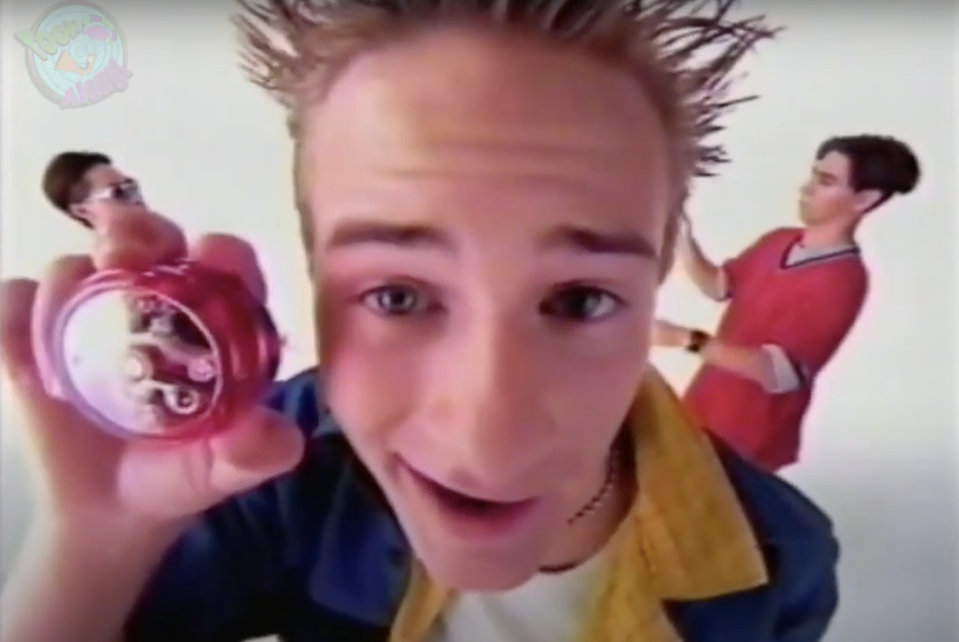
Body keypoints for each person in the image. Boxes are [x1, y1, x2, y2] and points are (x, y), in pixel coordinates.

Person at [0, 1, 840, 641]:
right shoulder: (271, 484)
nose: (490, 435)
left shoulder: (779, 562)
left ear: (656, 283)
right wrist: (95, 541)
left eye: (580, 300)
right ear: (313, 275)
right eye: (398, 296)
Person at [653, 134, 920, 472]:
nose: (806, 188)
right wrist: (682, 236)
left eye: (826, 182)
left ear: (864, 199)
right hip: (703, 410)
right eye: (813, 175)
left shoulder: (843, 280)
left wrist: (685, 339)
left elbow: (779, 373)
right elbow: (720, 286)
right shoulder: (778, 241)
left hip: (748, 439)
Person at [42, 151, 150, 229]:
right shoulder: (108, 259)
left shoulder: (162, 246)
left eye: (132, 187)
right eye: (118, 193)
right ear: (83, 211)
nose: (136, 199)